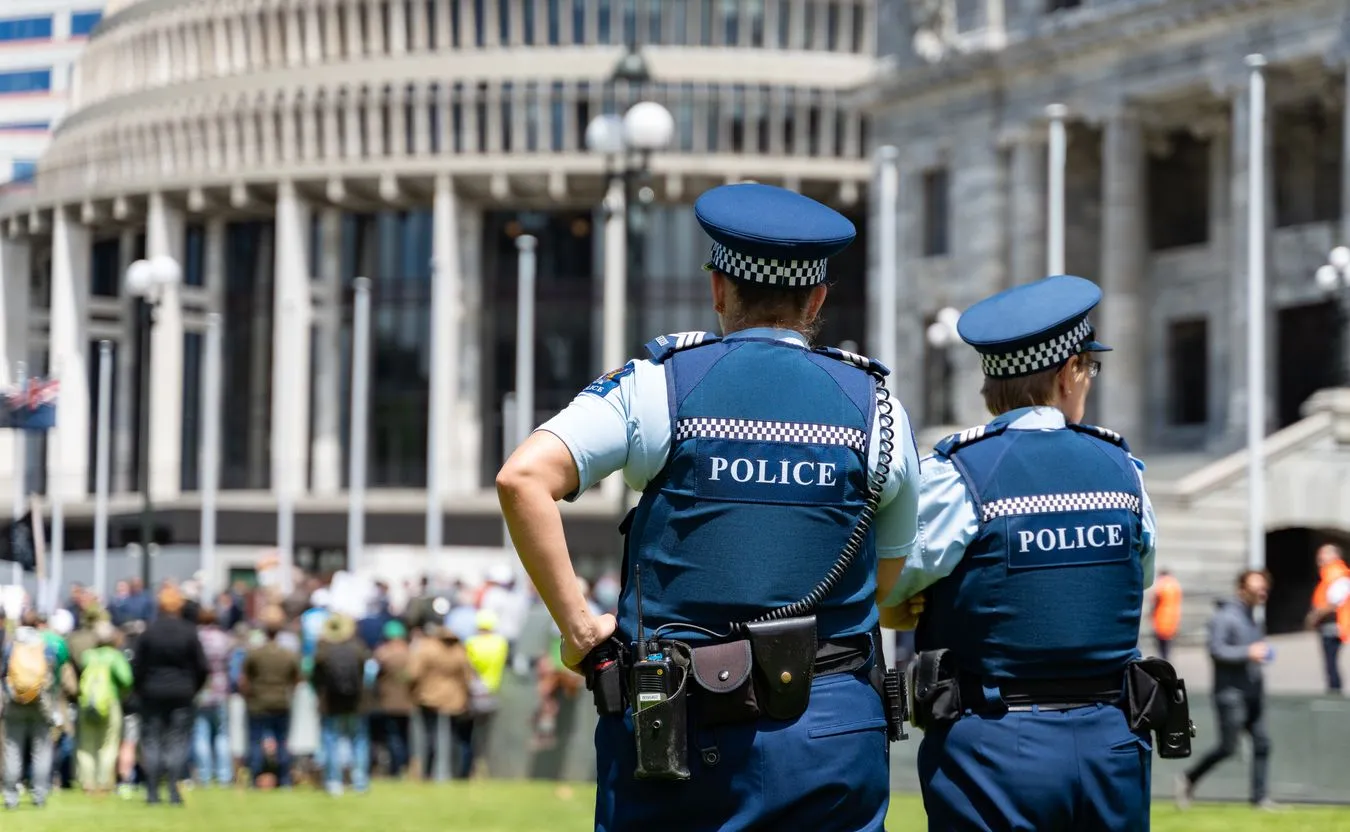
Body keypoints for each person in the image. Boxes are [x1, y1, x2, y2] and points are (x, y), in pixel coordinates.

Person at [497, 182, 920, 831]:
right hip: (829, 731)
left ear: (718, 289)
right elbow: (885, 581)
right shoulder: (878, 408)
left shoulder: (660, 384)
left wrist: (582, 630)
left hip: (678, 728)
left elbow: (523, 478)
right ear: (816, 299)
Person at [890, 275, 1161, 832]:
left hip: (995, 748)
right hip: (1112, 741)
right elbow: (1141, 575)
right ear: (1067, 375)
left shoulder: (957, 474)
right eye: (1090, 370)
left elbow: (888, 584)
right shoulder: (1123, 473)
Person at [1178, 569, 1278, 811]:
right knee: (1228, 747)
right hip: (1230, 694)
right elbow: (1215, 650)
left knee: (1263, 743)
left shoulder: (1251, 616)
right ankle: (1189, 778)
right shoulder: (1224, 616)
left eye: (1265, 588)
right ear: (1242, 589)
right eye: (1257, 588)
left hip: (1252, 693)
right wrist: (1248, 652)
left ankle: (1259, 798)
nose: (1262, 592)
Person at [133, 585, 209, 805]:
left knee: (152, 741)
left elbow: (137, 666)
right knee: (178, 741)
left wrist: (141, 688)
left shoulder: (149, 631)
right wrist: (193, 687)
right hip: (182, 693)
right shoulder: (189, 632)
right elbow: (202, 667)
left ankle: (152, 792)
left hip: (152, 692)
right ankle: (174, 790)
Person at [1, 611, 59, 810]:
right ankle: (39, 795)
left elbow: (3, 672)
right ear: (37, 624)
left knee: (12, 749)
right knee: (41, 750)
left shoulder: (11, 645)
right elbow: (53, 673)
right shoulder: (45, 645)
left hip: (14, 702)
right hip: (40, 703)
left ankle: (10, 797)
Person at [241, 605, 302, 789]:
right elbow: (297, 679)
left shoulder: (254, 653)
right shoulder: (288, 654)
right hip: (281, 702)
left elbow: (244, 679)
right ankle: (284, 780)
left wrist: (250, 694)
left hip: (258, 703)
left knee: (255, 741)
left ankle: (254, 778)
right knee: (282, 742)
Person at [312, 613, 372, 796]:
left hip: (330, 703)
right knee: (359, 741)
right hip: (356, 702)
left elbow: (314, 677)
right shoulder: (359, 648)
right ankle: (360, 781)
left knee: (331, 741)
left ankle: (333, 781)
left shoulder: (323, 651)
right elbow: (368, 675)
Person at [1306, 543, 1349, 694]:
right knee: (1329, 662)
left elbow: (1334, 601)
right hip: (1330, 624)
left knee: (1331, 662)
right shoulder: (1329, 573)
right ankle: (1333, 689)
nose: (1320, 558)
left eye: (1324, 554)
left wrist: (1315, 616)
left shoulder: (1336, 573)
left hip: (1334, 625)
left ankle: (1335, 691)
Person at [1151, 569, 1183, 662]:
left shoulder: (1162, 584)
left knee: (1161, 642)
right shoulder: (1175, 584)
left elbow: (1156, 599)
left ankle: (1163, 660)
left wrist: (1151, 613)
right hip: (1173, 616)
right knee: (1169, 641)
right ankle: (1167, 659)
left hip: (1161, 616)